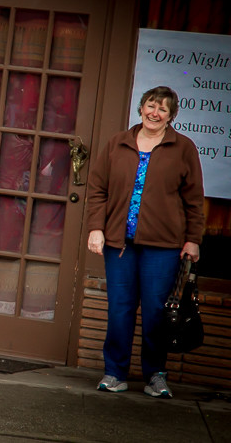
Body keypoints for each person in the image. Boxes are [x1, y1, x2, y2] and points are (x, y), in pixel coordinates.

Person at [86, 86, 204, 399]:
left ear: (171, 115)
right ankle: (114, 372)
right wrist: (96, 228)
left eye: (163, 109)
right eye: (151, 106)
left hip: (163, 247)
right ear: (141, 108)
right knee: (119, 309)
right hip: (119, 244)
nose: (155, 113)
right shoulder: (118, 143)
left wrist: (193, 239)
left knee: (155, 312)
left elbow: (193, 199)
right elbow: (97, 190)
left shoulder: (183, 148)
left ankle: (155, 374)